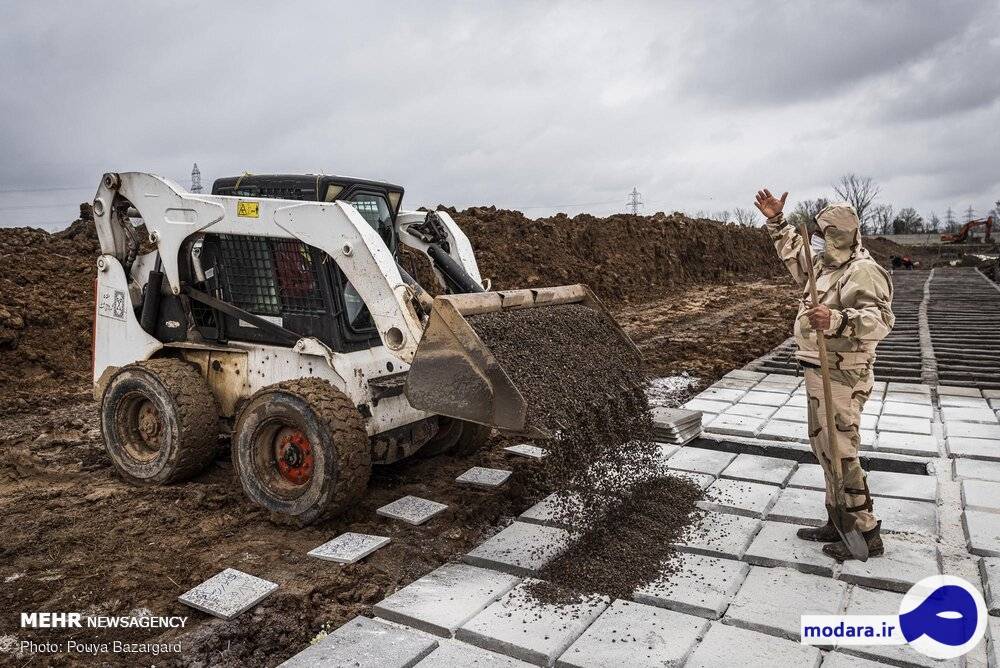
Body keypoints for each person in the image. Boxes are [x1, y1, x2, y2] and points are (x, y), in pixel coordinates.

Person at [754, 189, 895, 561]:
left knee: (842, 450)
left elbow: (881, 321)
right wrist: (776, 221)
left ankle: (866, 531)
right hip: (820, 371)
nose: (817, 238)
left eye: (824, 231)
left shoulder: (862, 271)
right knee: (826, 449)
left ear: (840, 235)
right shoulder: (825, 266)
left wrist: (836, 319)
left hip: (843, 376)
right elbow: (795, 255)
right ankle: (838, 520)